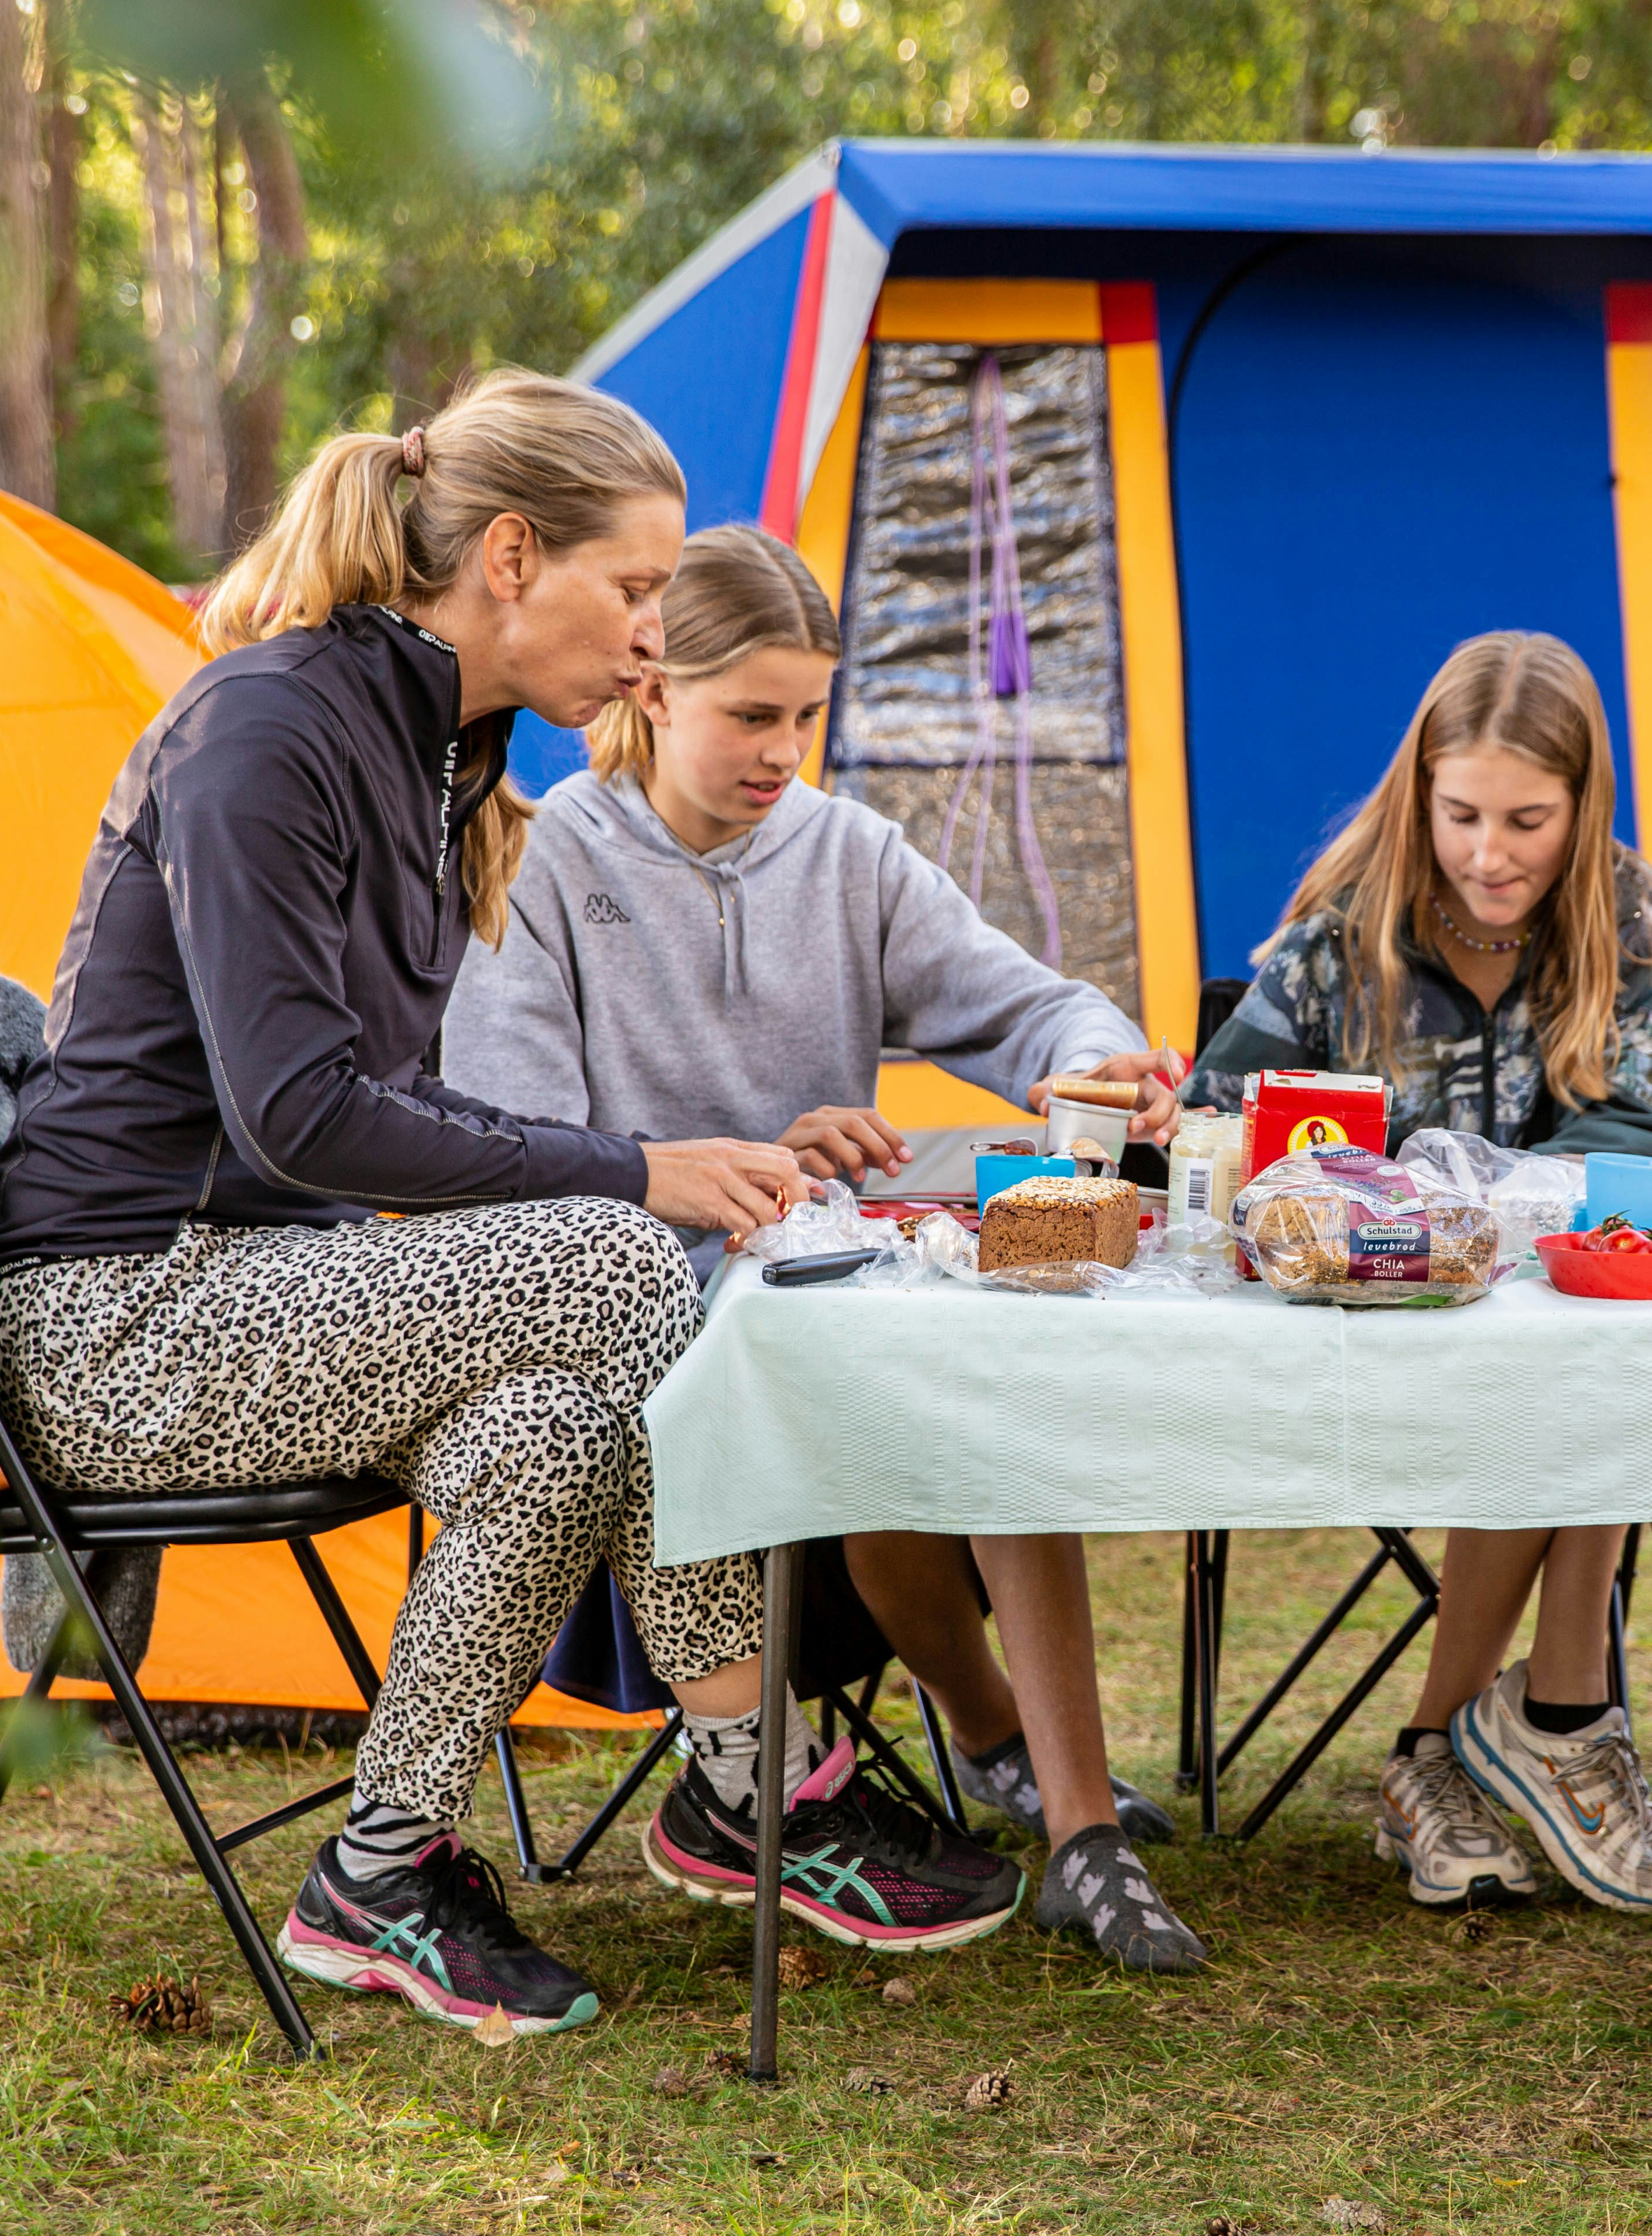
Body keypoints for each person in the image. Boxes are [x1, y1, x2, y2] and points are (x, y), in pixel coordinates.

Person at [0, 373, 1025, 2042]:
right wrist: (635, 1168)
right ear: (512, 556)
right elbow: (298, 1112)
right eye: (638, 588)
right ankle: (756, 1783)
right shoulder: (268, 727)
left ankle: (379, 1867)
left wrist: (666, 1152)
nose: (658, 640)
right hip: (115, 1320)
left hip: (259, 1289)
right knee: (613, 1257)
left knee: (556, 1433)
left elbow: (413, 1101)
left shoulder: (432, 756)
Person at [442, 523, 1206, 1972]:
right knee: (898, 1373)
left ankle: (1073, 1823)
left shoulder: (847, 853)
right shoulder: (540, 866)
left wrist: (1100, 1063)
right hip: (644, 1330)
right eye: (750, 714)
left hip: (831, 1301)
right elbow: (516, 1155)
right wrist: (754, 1169)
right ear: (653, 684)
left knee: (988, 1348)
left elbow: (1030, 1008)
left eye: (806, 716)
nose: (782, 750)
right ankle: (1007, 1755)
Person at [1184, 630, 1652, 1916]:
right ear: (1417, 796)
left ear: (1583, 807)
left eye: (1528, 819)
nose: (1489, 852)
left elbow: (1648, 1137)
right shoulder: (1337, 939)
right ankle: (1542, 1719)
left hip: (1522, 1345)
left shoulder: (1620, 915)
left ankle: (1452, 1748)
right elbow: (1216, 1125)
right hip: (1346, 1346)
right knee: (1573, 1368)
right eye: (1461, 812)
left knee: (1578, 1354)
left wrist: (1485, 1198)